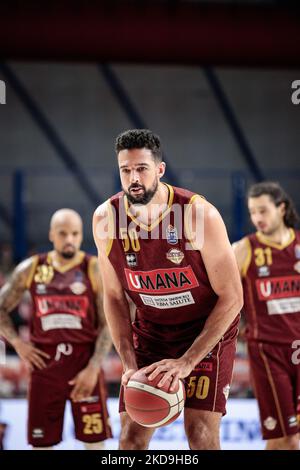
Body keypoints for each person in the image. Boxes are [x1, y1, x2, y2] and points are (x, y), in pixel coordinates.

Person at [93, 129, 243, 450]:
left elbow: (233, 298)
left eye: (142, 169)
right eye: (126, 170)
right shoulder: (106, 219)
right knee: (130, 438)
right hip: (152, 332)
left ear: (160, 170)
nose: (134, 177)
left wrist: (187, 361)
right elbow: (114, 297)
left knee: (200, 434)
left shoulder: (197, 214)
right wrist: (130, 364)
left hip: (205, 330)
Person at [0, 209, 112, 449]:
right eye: (63, 234)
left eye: (75, 234)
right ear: (52, 234)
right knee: (42, 444)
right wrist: (18, 344)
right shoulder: (31, 268)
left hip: (85, 366)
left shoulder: (93, 269)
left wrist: (94, 367)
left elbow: (109, 323)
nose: (69, 239)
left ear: (82, 236)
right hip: (44, 367)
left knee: (95, 444)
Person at [232, 182, 300, 450]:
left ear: (281, 208)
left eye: (263, 210)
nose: (257, 218)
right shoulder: (244, 249)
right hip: (268, 351)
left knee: (293, 439)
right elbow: (221, 294)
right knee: (282, 438)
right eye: (252, 212)